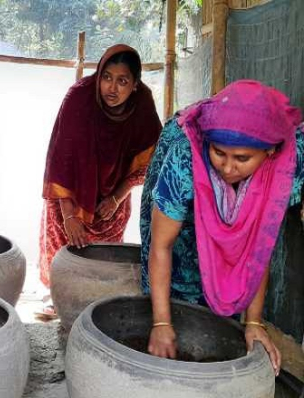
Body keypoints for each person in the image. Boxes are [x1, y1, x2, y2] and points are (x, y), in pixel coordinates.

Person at [141, 80, 303, 375]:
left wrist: (253, 322)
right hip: (185, 215)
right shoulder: (183, 156)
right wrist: (161, 323)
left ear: (269, 152)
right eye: (219, 153)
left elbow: (258, 241)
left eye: (242, 158)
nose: (228, 168)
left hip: (255, 182)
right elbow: (161, 245)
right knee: (183, 264)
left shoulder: (286, 165)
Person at [37, 44, 162, 318]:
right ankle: (56, 296)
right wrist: (69, 216)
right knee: (64, 250)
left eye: (122, 81)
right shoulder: (79, 97)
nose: (112, 88)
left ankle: (94, 301)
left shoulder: (142, 106)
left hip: (113, 197)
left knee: (102, 260)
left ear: (135, 85)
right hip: (69, 195)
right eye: (107, 77)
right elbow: (61, 158)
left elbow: (152, 157)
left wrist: (117, 197)